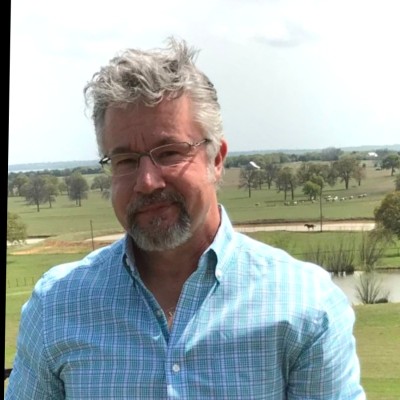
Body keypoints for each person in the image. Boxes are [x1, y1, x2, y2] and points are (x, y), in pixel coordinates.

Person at [6, 37, 366, 399]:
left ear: (217, 159)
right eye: (126, 160)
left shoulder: (305, 304)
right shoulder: (57, 306)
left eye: (169, 153)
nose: (147, 181)